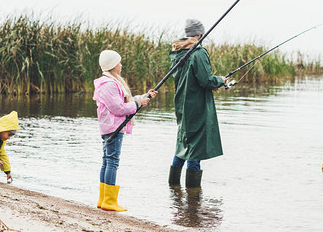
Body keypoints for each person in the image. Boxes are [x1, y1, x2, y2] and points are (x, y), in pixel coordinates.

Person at [93, 50, 157, 212]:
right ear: (113, 65)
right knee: (112, 161)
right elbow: (119, 108)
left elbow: (123, 101)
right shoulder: (109, 84)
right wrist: (138, 104)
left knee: (108, 160)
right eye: (119, 62)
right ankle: (109, 201)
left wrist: (143, 98)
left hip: (110, 126)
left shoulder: (111, 83)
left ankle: (103, 199)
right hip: (114, 128)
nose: (121, 65)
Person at [168, 19, 226, 188]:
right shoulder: (198, 52)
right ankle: (193, 199)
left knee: (183, 143)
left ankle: (174, 189)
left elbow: (192, 79)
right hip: (196, 106)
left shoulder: (178, 52)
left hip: (182, 105)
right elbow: (207, 80)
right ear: (200, 33)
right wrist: (220, 81)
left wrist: (210, 84)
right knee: (195, 147)